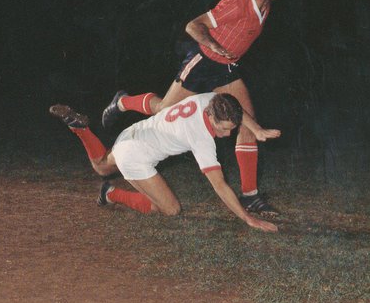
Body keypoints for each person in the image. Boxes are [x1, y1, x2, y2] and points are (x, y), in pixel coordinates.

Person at [101, 0, 289, 216]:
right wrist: (214, 45)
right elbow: (193, 26)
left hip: (226, 69)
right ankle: (123, 101)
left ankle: (250, 196)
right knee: (163, 110)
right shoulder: (239, 2)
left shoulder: (265, 7)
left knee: (248, 123)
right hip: (203, 64)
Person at [49, 93, 279, 232]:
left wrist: (256, 129)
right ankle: (111, 194)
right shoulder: (201, 137)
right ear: (211, 116)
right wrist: (247, 218)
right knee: (170, 209)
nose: (227, 134)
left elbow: (236, 109)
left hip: (134, 132)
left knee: (101, 166)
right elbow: (219, 185)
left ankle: (79, 128)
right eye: (223, 129)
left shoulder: (211, 100)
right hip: (135, 157)